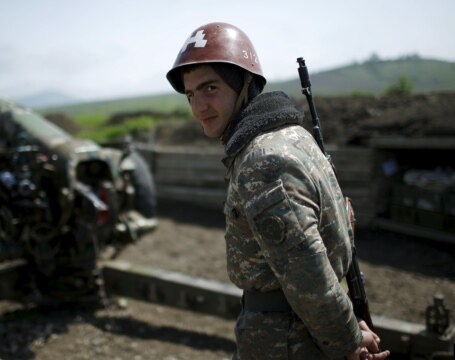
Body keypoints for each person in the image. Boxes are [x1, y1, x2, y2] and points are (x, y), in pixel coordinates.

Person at [166, 22, 391, 360]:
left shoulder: (263, 160)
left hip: (286, 340)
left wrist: (349, 341)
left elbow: (309, 276)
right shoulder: (294, 137)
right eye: (190, 94)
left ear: (244, 83)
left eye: (209, 88)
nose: (198, 107)